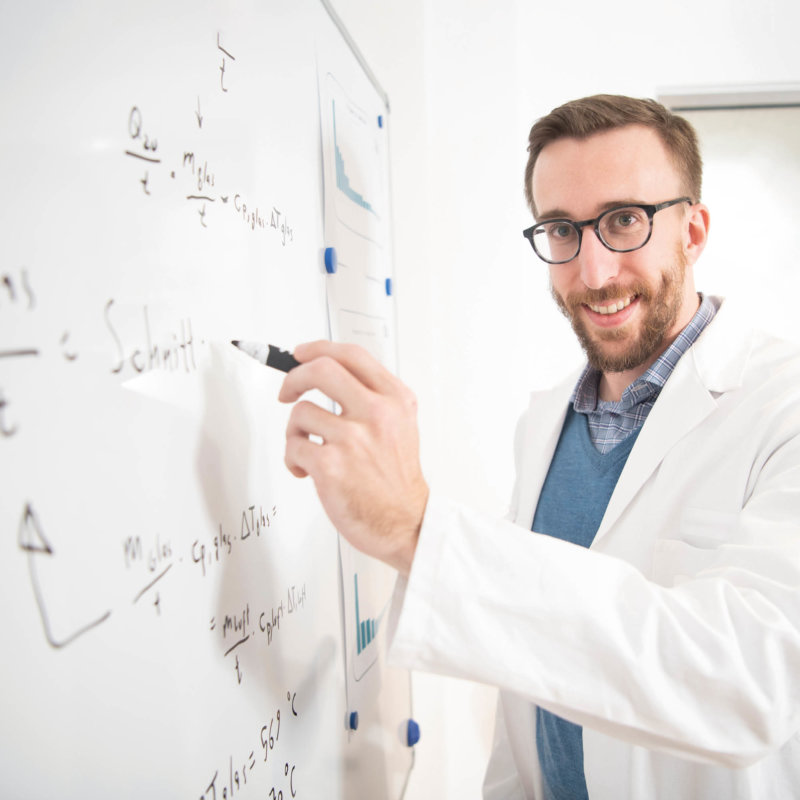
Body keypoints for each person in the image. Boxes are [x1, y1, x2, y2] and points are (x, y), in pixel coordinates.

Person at [278, 95, 800, 798]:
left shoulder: (782, 408)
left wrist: (414, 529)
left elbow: (750, 682)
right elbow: (533, 687)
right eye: (562, 230)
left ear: (694, 231)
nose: (593, 272)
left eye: (624, 221)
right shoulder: (546, 421)